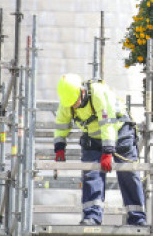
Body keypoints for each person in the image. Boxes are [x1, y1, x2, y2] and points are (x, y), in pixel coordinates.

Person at [53, 74, 147, 226]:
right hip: (93, 138)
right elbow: (61, 124)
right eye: (72, 105)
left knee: (128, 174)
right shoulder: (67, 101)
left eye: (76, 102)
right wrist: (59, 147)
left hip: (120, 133)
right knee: (91, 174)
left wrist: (108, 151)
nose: (74, 106)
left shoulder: (98, 93)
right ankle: (92, 216)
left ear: (82, 92)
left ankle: (137, 218)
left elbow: (107, 124)